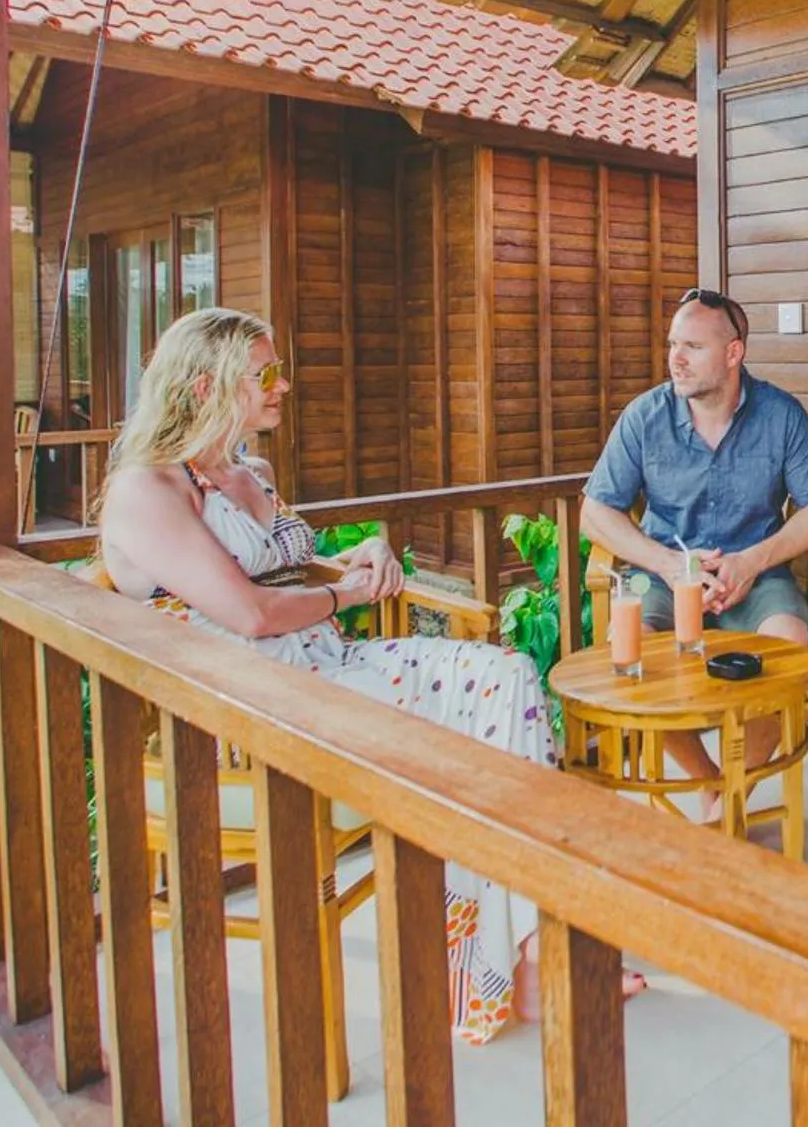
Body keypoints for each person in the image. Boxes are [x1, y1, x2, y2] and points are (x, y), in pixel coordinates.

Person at [96, 307, 638, 1043]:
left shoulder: (250, 472)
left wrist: (361, 557)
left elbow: (284, 566)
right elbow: (250, 611)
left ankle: (516, 948)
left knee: (508, 676)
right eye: (265, 373)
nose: (283, 385)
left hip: (324, 666)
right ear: (204, 385)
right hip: (244, 708)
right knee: (477, 736)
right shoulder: (147, 490)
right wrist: (345, 596)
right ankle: (519, 955)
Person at [581, 288, 808, 821]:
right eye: (672, 344)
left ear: (733, 353)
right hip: (664, 577)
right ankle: (715, 788)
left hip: (756, 576)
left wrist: (751, 562)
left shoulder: (781, 415)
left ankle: (729, 796)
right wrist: (670, 564)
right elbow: (594, 512)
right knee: (628, 653)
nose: (675, 358)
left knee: (789, 647)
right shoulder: (644, 417)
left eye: (692, 347)